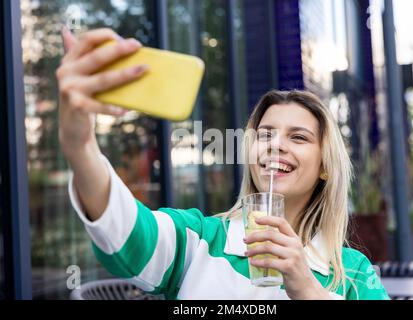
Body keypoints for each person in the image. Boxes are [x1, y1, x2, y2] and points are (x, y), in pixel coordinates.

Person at [57, 27, 390, 300]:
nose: (275, 146)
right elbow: (125, 231)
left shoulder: (353, 272)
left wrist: (305, 287)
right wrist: (79, 144)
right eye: (265, 135)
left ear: (324, 165)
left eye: (298, 138)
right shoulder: (201, 239)